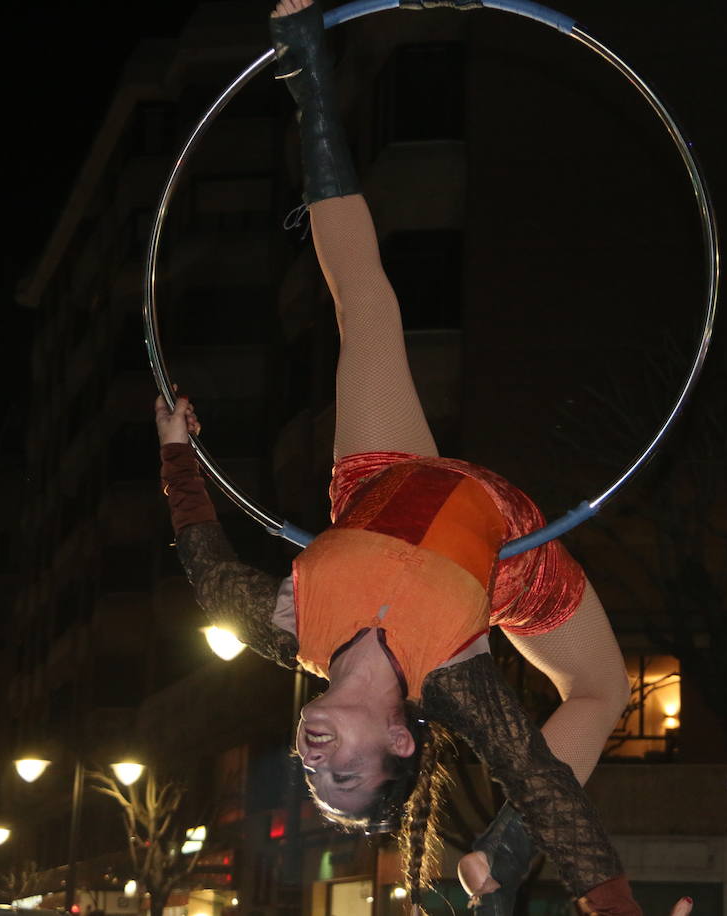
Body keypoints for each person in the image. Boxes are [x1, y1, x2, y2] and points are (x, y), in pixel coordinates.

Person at [156, 3, 691, 914]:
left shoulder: (291, 622)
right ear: (401, 745)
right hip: (512, 554)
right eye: (347, 779)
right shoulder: (457, 681)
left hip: (386, 478)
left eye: (311, 776)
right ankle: (499, 859)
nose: (316, 767)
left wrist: (176, 455)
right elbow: (553, 794)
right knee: (599, 689)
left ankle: (306, 70)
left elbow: (208, 573)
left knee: (363, 300)